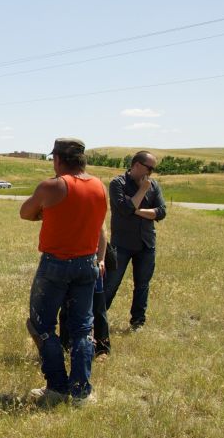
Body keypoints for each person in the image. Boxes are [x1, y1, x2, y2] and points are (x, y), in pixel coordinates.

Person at [20, 138, 108, 405]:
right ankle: (81, 391)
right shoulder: (99, 186)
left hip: (56, 264)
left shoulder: (53, 186)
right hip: (87, 263)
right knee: (83, 327)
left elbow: (25, 212)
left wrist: (44, 214)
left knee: (42, 325)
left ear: (58, 159)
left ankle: (57, 387)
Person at [105, 151, 167, 330]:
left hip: (146, 243)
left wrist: (136, 209)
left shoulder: (154, 185)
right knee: (111, 284)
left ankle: (137, 322)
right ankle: (97, 321)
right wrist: (142, 191)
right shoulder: (118, 183)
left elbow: (161, 212)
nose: (152, 173)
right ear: (137, 165)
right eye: (150, 168)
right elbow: (124, 209)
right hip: (122, 244)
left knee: (142, 285)